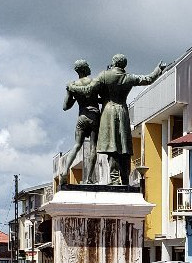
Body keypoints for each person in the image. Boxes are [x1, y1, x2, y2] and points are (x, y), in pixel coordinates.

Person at [69, 54, 166, 185]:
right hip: (123, 111)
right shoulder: (128, 77)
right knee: (123, 147)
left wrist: (72, 87)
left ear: (114, 63)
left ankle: (114, 179)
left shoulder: (104, 75)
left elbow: (88, 90)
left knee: (112, 146)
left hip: (108, 112)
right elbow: (148, 79)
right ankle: (125, 179)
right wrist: (158, 69)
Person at [59, 60, 100, 185]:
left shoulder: (73, 85)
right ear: (85, 69)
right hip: (94, 115)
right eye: (88, 66)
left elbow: (65, 106)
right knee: (93, 146)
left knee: (77, 145)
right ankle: (88, 178)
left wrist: (71, 94)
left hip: (81, 116)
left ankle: (65, 170)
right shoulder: (94, 82)